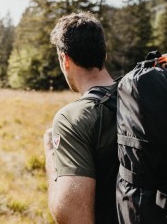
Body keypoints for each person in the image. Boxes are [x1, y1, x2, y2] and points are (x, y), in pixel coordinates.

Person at [44, 12, 119, 223]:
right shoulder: (140, 99)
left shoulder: (72, 119)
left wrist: (50, 154)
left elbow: (73, 217)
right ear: (103, 55)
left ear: (64, 59)